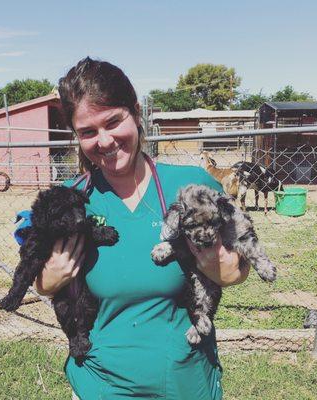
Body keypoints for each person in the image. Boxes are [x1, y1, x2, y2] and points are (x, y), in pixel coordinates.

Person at [34, 57, 250, 400]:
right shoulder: (70, 201)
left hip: (185, 383)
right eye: (88, 132)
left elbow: (240, 264)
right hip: (100, 385)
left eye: (113, 122)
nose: (103, 141)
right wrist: (48, 279)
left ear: (136, 113)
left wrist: (224, 269)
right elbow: (41, 278)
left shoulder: (192, 187)